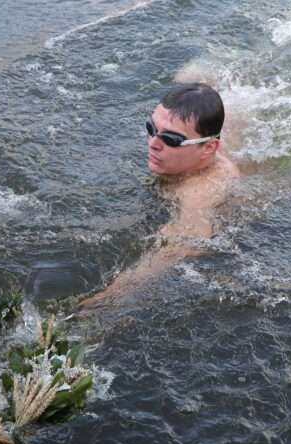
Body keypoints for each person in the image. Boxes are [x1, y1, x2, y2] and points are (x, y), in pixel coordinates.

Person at [79, 82, 241, 309]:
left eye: (171, 139)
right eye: (151, 128)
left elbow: (185, 244)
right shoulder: (193, 145)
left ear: (208, 149)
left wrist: (103, 304)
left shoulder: (200, 191)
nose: (153, 144)